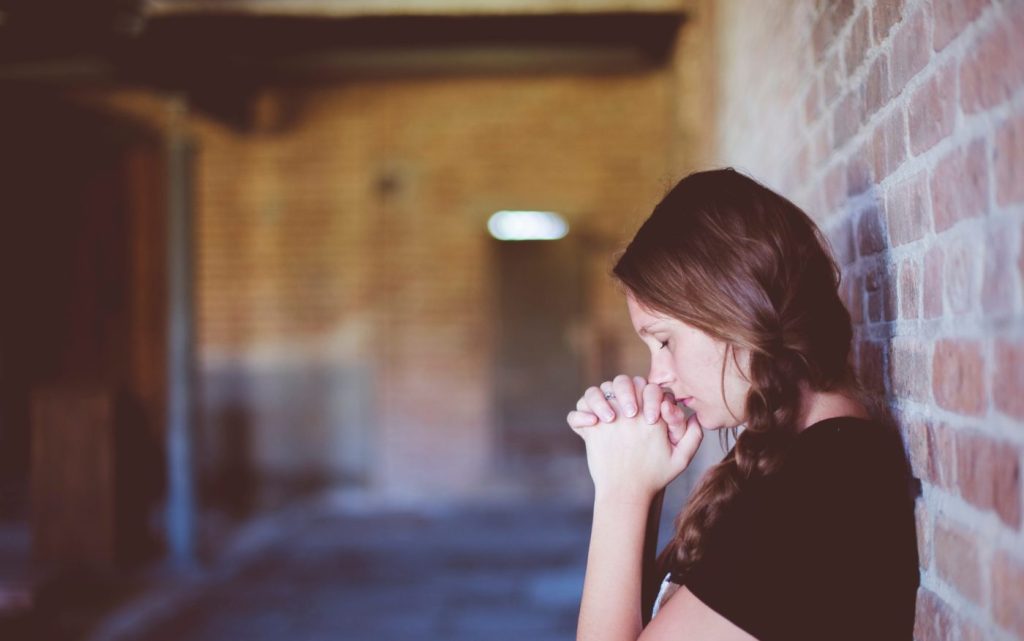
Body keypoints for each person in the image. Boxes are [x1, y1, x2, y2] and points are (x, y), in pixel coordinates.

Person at [566, 168, 919, 641]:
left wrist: (620, 493)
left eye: (664, 341)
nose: (657, 376)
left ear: (735, 311)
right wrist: (642, 484)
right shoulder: (797, 461)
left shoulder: (824, 490)